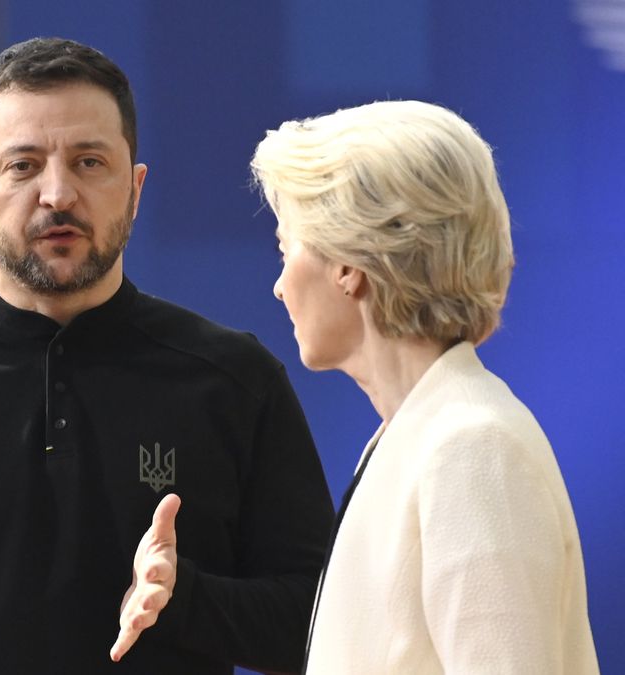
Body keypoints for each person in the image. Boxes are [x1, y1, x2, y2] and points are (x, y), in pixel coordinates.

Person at [0, 36, 334, 674]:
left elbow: (325, 623)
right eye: (22, 165)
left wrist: (189, 600)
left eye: (89, 163)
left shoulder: (236, 382)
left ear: (135, 189)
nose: (57, 194)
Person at [250, 100, 600, 673]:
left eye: (287, 248)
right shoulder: (418, 436)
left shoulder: (472, 447)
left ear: (347, 263)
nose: (280, 285)